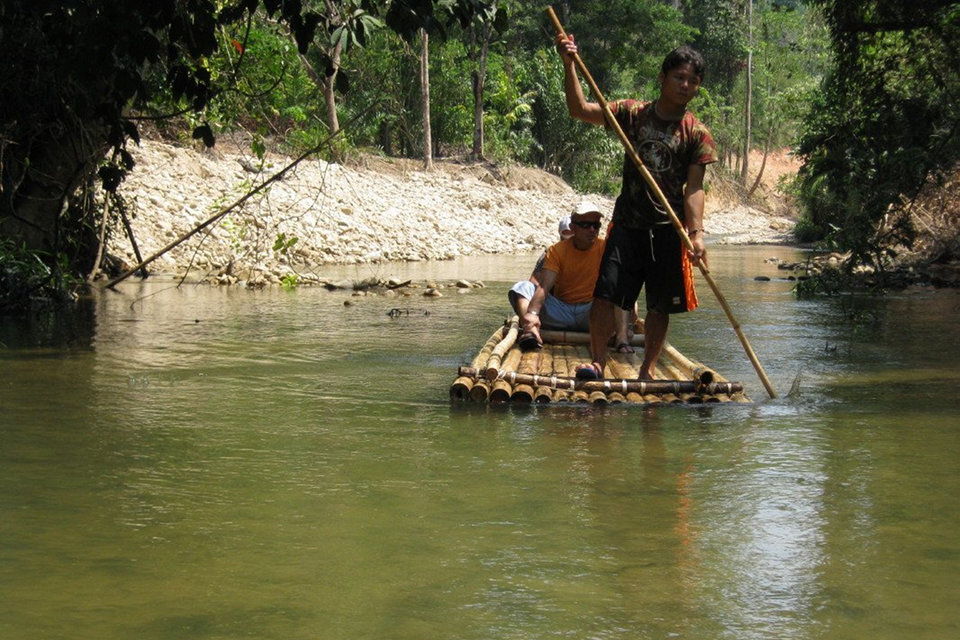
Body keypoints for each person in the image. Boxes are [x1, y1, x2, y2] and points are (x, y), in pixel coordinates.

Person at [557, 36, 718, 380]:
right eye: (679, 77)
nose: (685, 85)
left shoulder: (697, 134)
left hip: (668, 231)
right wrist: (569, 65)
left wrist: (696, 234)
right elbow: (579, 110)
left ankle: (647, 371)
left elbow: (694, 188)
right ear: (662, 78)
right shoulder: (632, 114)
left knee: (660, 306)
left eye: (692, 81)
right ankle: (598, 363)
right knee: (605, 296)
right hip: (628, 226)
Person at [512, 201, 607, 351]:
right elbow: (544, 286)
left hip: (590, 313)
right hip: (561, 311)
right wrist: (532, 313)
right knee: (522, 287)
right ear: (573, 227)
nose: (592, 230)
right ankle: (530, 329)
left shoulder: (606, 248)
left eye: (596, 225)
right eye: (586, 225)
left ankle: (618, 334)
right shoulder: (556, 251)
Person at [507, 215, 574, 326]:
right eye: (566, 233)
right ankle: (529, 326)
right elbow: (533, 283)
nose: (569, 239)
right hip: (557, 306)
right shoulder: (551, 253)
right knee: (522, 287)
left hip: (583, 307)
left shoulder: (593, 252)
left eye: (572, 234)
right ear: (560, 234)